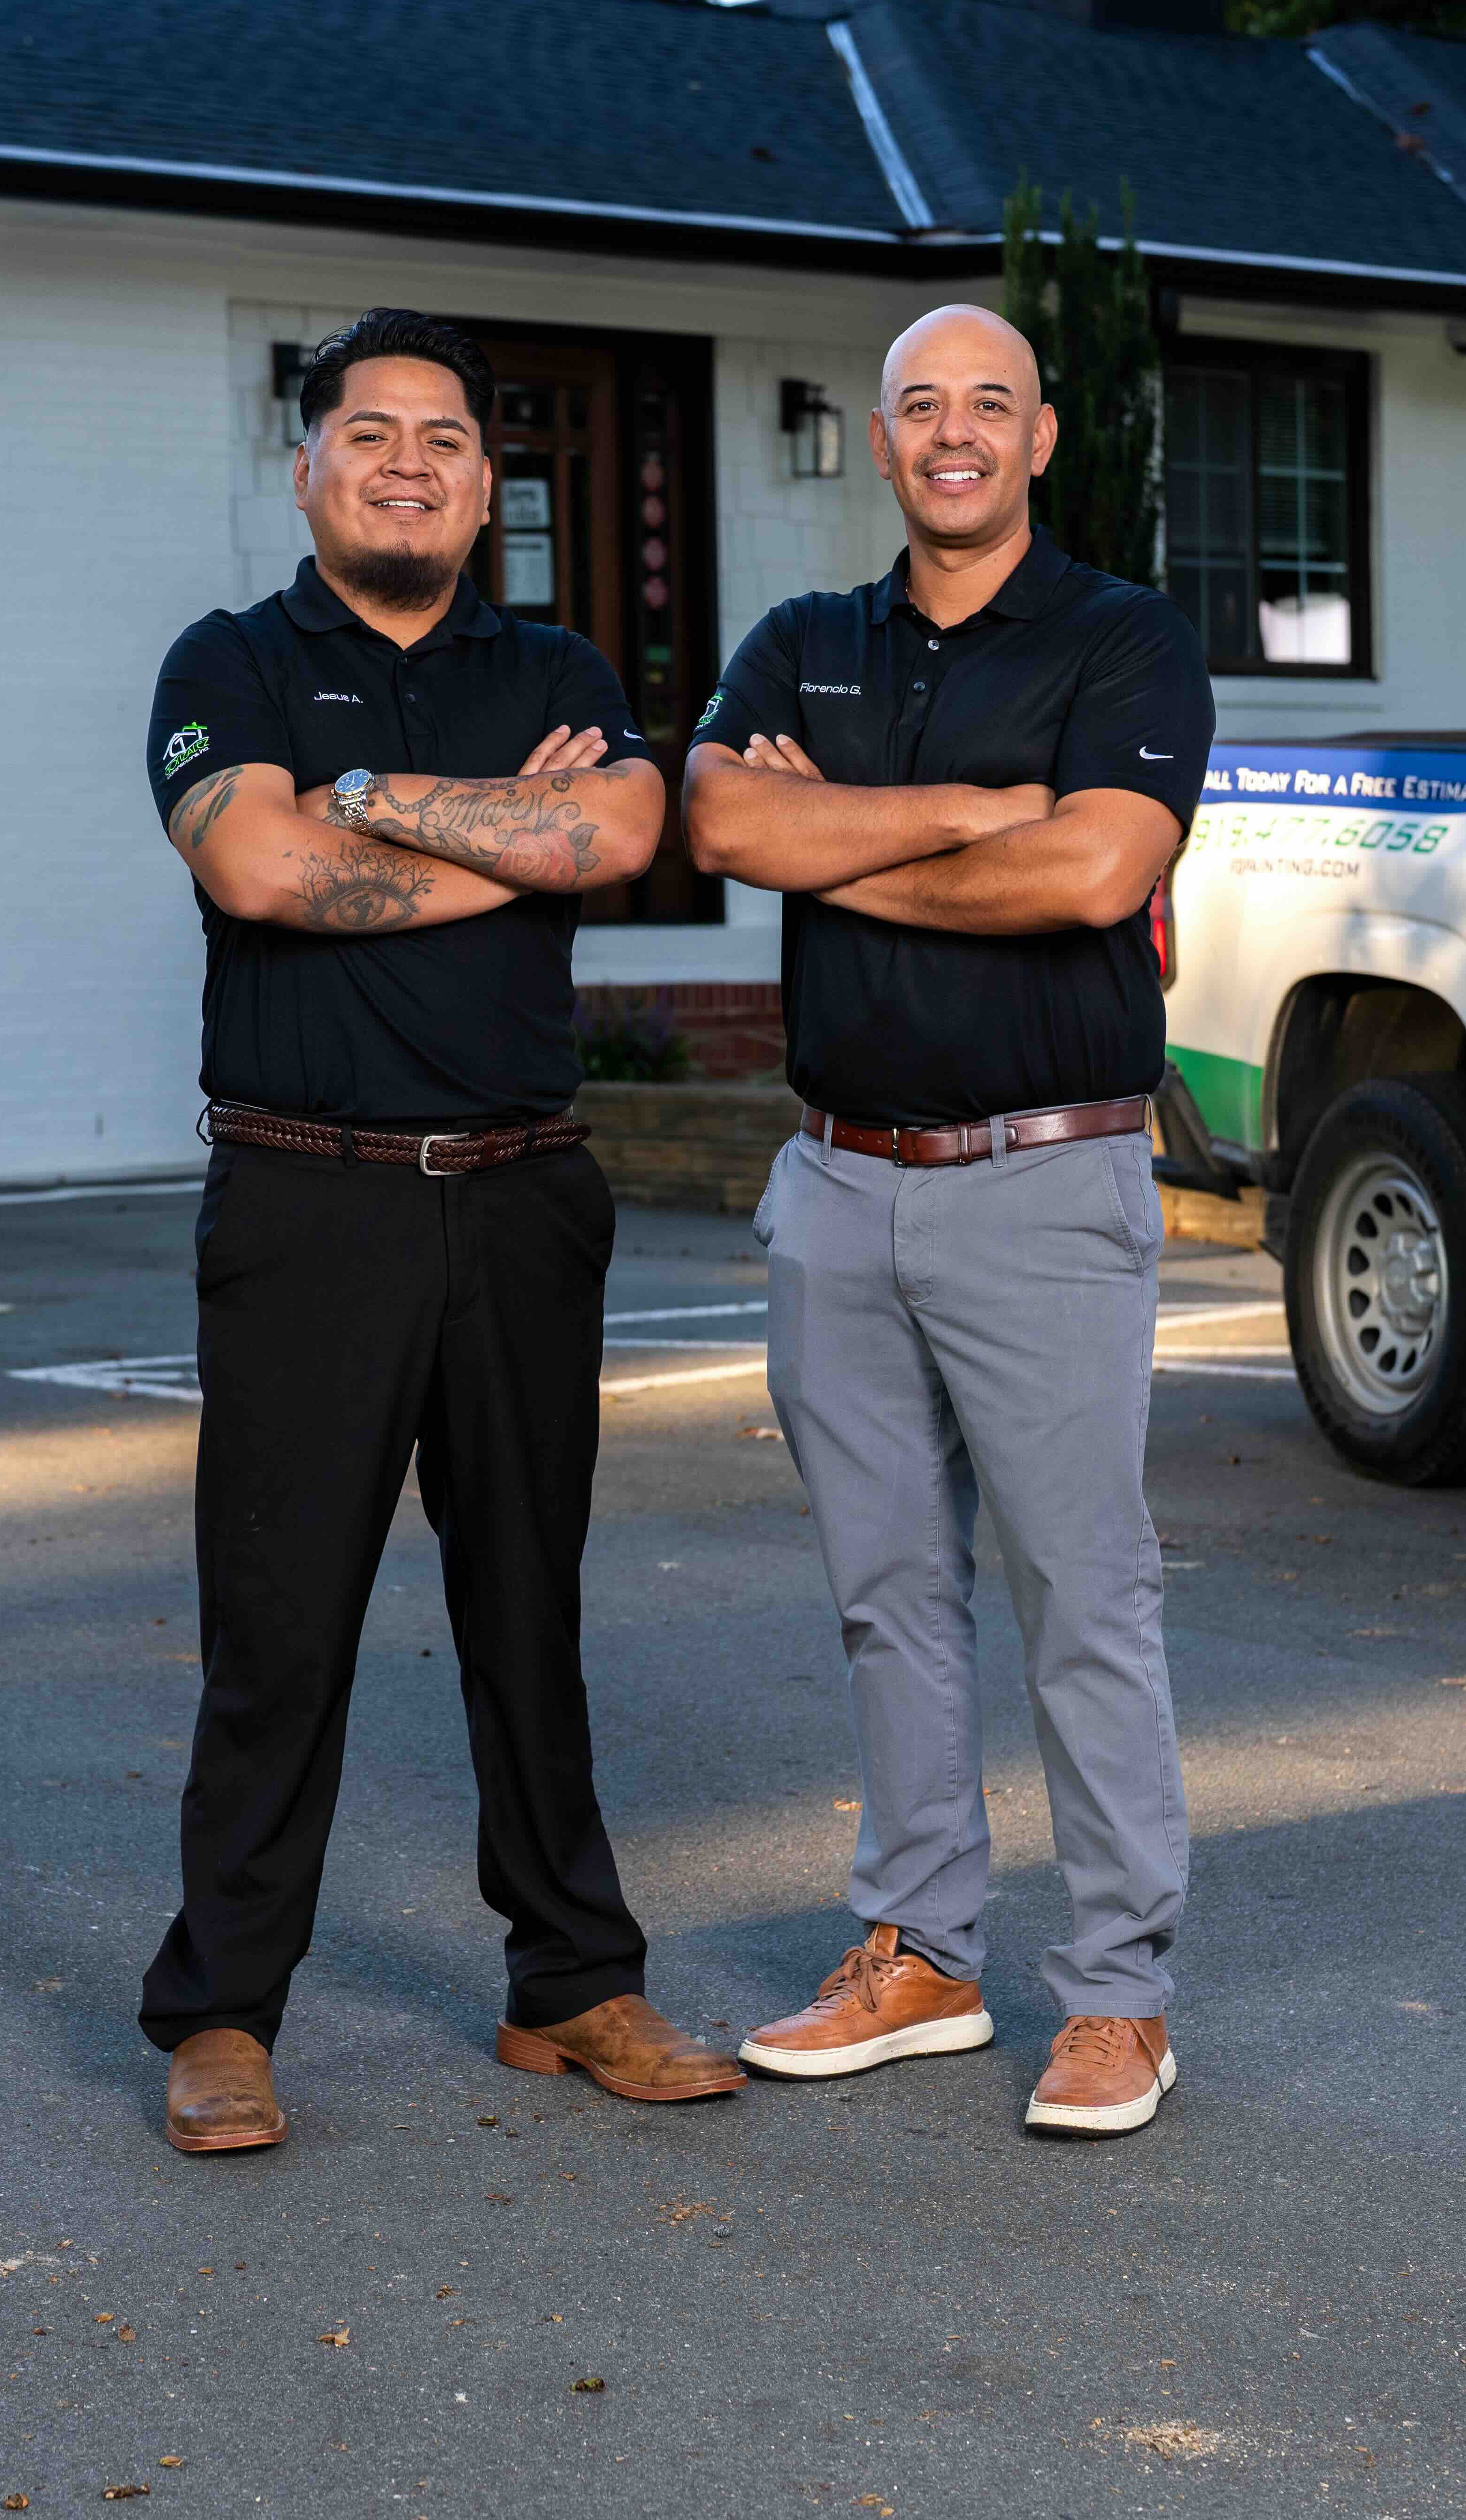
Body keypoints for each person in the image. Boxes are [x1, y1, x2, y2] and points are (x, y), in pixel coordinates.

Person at [137, 307, 744, 2154]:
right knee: (282, 1622)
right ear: (309, 463)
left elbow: (625, 841)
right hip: (307, 1194)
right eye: (376, 433)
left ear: (490, 484)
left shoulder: (552, 656)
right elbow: (250, 864)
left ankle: (572, 1982)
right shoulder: (229, 659)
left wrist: (377, 807)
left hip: (524, 1194)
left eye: (451, 442)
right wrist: (505, 831)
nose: (413, 462)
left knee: (527, 1612)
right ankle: (223, 2013)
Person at [682, 303, 1212, 2137]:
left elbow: (1100, 867)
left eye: (991, 403)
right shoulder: (805, 643)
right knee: (886, 1594)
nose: (957, 433)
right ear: (889, 442)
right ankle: (919, 1951)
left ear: (1042, 438)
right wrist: (972, 822)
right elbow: (724, 824)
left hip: (1043, 1181)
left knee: (1085, 1592)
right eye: (924, 408)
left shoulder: (1123, 639)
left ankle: (1120, 1996)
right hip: (836, 1183)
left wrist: (866, 840)